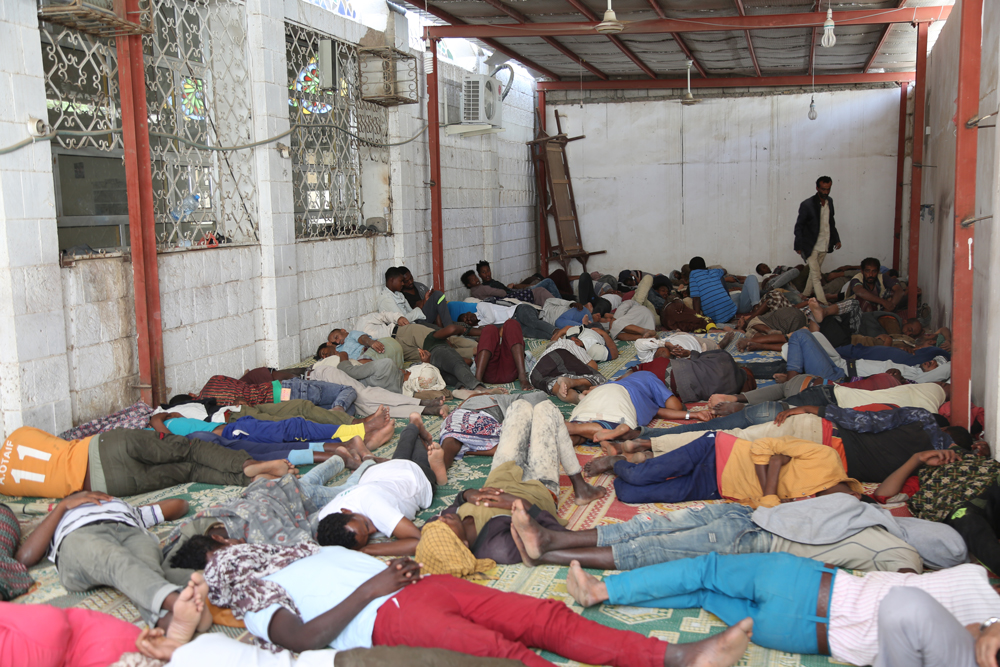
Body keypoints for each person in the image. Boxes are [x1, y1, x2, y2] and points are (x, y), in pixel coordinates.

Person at [201, 541, 755, 667]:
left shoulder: (298, 550)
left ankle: (676, 658)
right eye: (224, 541)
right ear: (220, 560)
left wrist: (393, 571)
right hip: (389, 616)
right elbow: (300, 640)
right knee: (507, 656)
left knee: (544, 618)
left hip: (421, 590)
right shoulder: (246, 584)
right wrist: (373, 589)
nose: (238, 541)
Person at [566, 552, 1000, 665]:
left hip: (808, 587)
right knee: (702, 592)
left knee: (706, 571)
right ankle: (605, 592)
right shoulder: (969, 619)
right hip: (804, 633)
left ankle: (601, 591)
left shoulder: (977, 597)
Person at [509, 491, 967, 573]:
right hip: (746, 529)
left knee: (649, 538)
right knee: (651, 539)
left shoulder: (890, 532)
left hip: (745, 526)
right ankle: (548, 545)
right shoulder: (892, 536)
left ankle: (549, 548)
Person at [14, 490, 202, 629]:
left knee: (149, 568)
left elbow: (180, 505)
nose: (89, 497)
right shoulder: (61, 516)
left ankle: (166, 623)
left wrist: (128, 507)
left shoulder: (123, 507)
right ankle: (177, 602)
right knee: (116, 559)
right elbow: (25, 558)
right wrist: (63, 506)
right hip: (82, 536)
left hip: (129, 531)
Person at [0, 426, 293, 498]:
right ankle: (247, 465)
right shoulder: (18, 435)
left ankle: (251, 479)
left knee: (188, 471)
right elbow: (60, 444)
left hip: (108, 484)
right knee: (190, 448)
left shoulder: (5, 487)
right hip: (106, 447)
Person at [589, 431, 862, 506]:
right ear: (854, 494)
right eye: (845, 504)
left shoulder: (814, 503)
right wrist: (770, 495)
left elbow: (763, 506)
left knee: (630, 494)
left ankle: (628, 471)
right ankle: (617, 462)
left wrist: (767, 501)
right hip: (719, 451)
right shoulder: (827, 458)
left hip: (718, 488)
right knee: (641, 475)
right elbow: (767, 450)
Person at [314, 415, 444, 557]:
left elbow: (419, 541)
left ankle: (420, 436)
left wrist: (366, 549)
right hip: (380, 472)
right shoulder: (325, 520)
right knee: (402, 453)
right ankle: (414, 426)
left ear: (345, 511)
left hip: (415, 477)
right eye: (367, 536)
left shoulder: (375, 507)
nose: (372, 530)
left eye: (365, 524)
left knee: (421, 457)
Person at [566, 370, 708, 442]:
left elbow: (660, 411)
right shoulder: (648, 377)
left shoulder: (640, 394)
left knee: (580, 437)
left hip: (596, 396)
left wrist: (694, 414)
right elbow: (674, 407)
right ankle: (575, 427)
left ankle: (572, 431)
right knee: (623, 427)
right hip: (619, 396)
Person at [529, 327, 615, 403]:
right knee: (598, 379)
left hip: (535, 372)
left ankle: (578, 398)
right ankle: (572, 382)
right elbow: (593, 366)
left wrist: (560, 332)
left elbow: (555, 338)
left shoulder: (554, 345)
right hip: (562, 355)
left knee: (556, 388)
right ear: (576, 340)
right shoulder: (572, 344)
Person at [794, 176, 841, 304]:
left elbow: (831, 222)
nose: (825, 192)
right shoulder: (807, 204)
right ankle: (823, 302)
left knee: (813, 272)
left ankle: (805, 294)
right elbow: (799, 226)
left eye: (828, 189)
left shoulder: (830, 201)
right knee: (816, 275)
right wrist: (798, 245)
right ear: (817, 188)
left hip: (824, 244)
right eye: (823, 189)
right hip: (810, 245)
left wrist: (836, 239)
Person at [374, 266, 453, 327]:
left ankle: (449, 326)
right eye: (401, 281)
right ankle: (449, 330)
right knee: (437, 331)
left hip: (416, 321)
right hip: (407, 329)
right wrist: (418, 310)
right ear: (392, 280)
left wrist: (420, 309)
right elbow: (403, 320)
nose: (402, 284)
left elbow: (411, 311)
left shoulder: (399, 294)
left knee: (437, 295)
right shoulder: (386, 299)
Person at [449, 300, 556, 340]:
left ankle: (557, 331)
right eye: (467, 322)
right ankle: (558, 337)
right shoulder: (478, 327)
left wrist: (478, 325)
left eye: (466, 317)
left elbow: (491, 318)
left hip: (518, 311)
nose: (468, 319)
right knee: (532, 333)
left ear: (469, 312)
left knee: (533, 323)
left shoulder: (480, 306)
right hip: (513, 324)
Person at [473, 319, 532, 390]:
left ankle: (522, 376)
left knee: (510, 323)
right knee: (490, 328)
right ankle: (477, 380)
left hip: (494, 374)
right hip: (503, 374)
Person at [476, 260, 561, 304]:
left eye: (488, 271)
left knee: (539, 278)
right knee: (548, 282)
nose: (487, 274)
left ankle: (561, 303)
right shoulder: (486, 287)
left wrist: (508, 287)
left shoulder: (493, 282)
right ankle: (562, 303)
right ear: (479, 275)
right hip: (521, 293)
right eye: (484, 272)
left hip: (517, 291)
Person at [462, 268, 554, 306]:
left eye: (488, 271)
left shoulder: (475, 292)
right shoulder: (483, 288)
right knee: (542, 289)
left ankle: (559, 302)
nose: (487, 274)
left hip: (513, 290)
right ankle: (558, 303)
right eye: (473, 279)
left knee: (539, 280)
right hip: (513, 294)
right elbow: (502, 293)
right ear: (469, 285)